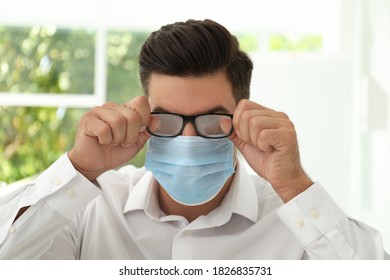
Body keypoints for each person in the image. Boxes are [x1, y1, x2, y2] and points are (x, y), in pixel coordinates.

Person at [0, 19, 388, 260]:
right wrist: (80, 168)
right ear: (145, 117)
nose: (187, 136)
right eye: (166, 118)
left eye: (211, 119)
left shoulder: (295, 221)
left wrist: (296, 186)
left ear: (242, 116)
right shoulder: (87, 207)